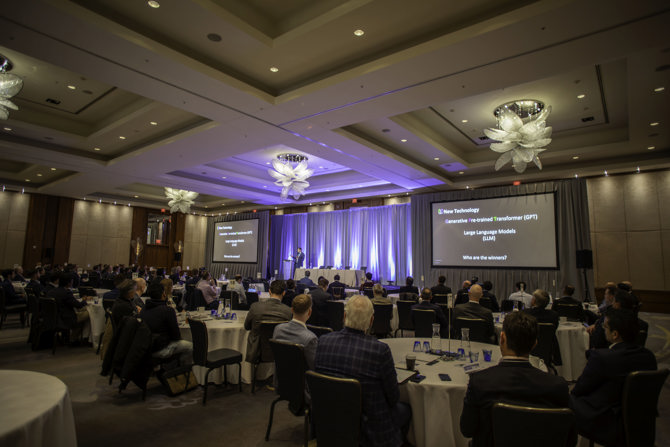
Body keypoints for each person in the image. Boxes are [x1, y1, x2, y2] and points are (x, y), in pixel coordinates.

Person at [460, 311, 571, 447]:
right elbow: (569, 438)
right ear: (534, 344)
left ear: (502, 338)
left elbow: (467, 429)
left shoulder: (479, 382)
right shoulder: (558, 386)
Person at [315, 295, 411, 447]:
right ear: (371, 320)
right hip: (370, 428)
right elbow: (393, 397)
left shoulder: (323, 341)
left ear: (344, 316)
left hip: (329, 419)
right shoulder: (379, 350)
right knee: (406, 410)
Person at [570, 308, 657, 446]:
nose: (603, 330)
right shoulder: (649, 357)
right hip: (640, 420)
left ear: (615, 334)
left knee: (565, 399)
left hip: (607, 421)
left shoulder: (602, 358)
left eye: (605, 327)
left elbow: (580, 389)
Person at [140, 283, 192, 364]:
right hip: (160, 348)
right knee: (191, 346)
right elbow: (176, 336)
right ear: (164, 294)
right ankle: (181, 366)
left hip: (146, 348)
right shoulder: (168, 310)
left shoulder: (143, 309)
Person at [244, 280, 292, 363]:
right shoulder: (288, 311)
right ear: (283, 293)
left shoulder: (255, 307)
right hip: (279, 351)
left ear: (269, 291)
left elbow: (247, 326)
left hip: (257, 351)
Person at [273, 294, 318, 370]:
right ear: (309, 312)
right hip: (301, 377)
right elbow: (314, 367)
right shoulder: (311, 338)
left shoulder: (278, 329)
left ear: (292, 310)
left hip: (279, 376)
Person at [47, 272, 90, 343]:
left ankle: (73, 337)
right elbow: (78, 305)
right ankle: (74, 339)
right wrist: (84, 300)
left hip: (52, 317)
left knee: (80, 319)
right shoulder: (66, 292)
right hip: (65, 318)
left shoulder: (51, 292)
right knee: (89, 313)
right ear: (69, 283)